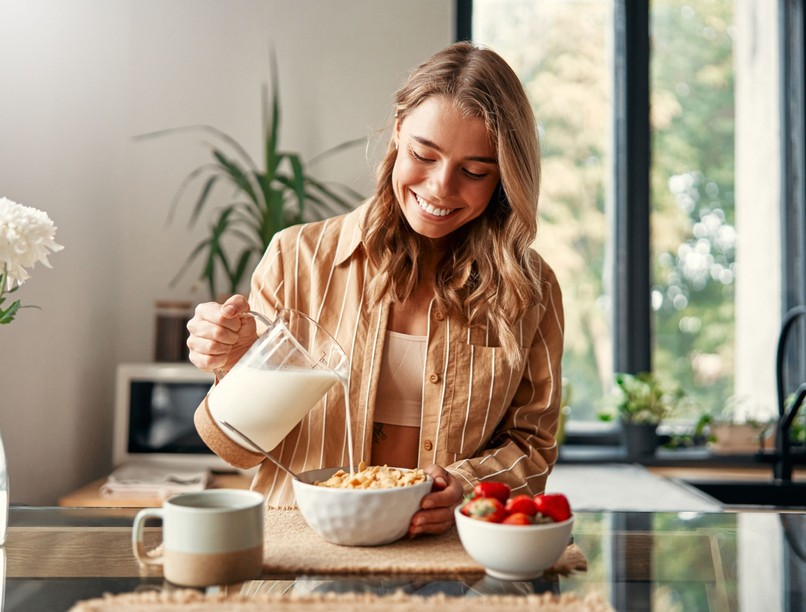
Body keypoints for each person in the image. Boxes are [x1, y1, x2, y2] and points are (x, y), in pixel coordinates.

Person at [188, 41, 564, 537]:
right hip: (301, 543)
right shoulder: (295, 258)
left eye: (474, 171)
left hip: (441, 552)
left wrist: (465, 485)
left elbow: (533, 445)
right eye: (423, 155)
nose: (441, 187)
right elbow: (234, 450)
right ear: (398, 130)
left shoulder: (531, 289)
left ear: (505, 178)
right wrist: (236, 365)